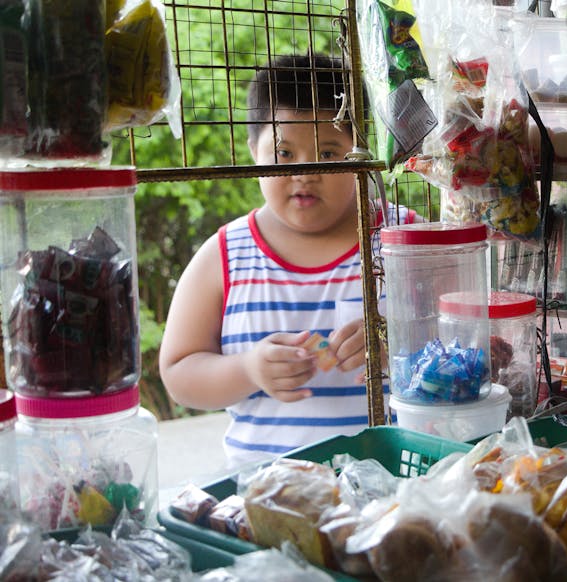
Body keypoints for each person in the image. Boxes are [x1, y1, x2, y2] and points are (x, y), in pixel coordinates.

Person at [159, 54, 417, 467]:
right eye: (284, 152)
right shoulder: (224, 254)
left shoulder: (403, 238)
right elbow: (178, 372)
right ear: (252, 152)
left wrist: (396, 347)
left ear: (360, 153)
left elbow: (463, 342)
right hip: (264, 494)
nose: (305, 171)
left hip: (388, 484)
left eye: (330, 153)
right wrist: (247, 370)